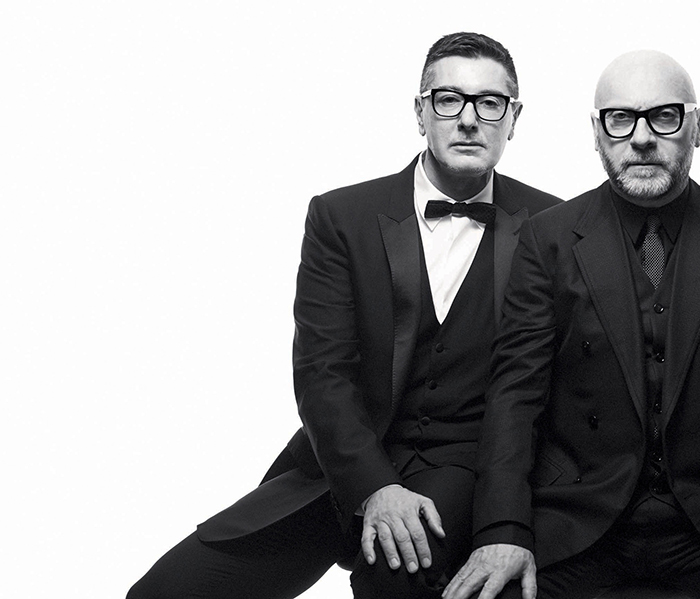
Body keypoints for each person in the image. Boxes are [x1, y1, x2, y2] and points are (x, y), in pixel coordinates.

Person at [127, 32, 561, 599]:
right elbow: (321, 372)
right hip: (339, 469)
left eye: (490, 103)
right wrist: (374, 487)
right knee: (167, 590)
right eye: (449, 100)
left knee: (394, 579)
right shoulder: (341, 215)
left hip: (463, 472)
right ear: (420, 112)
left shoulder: (551, 226)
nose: (468, 120)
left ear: (514, 118)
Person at [443, 50, 700, 599]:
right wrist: (502, 530)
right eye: (620, 118)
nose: (640, 138)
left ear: (696, 126)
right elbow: (515, 394)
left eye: (663, 116)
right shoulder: (548, 238)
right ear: (596, 133)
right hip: (579, 515)